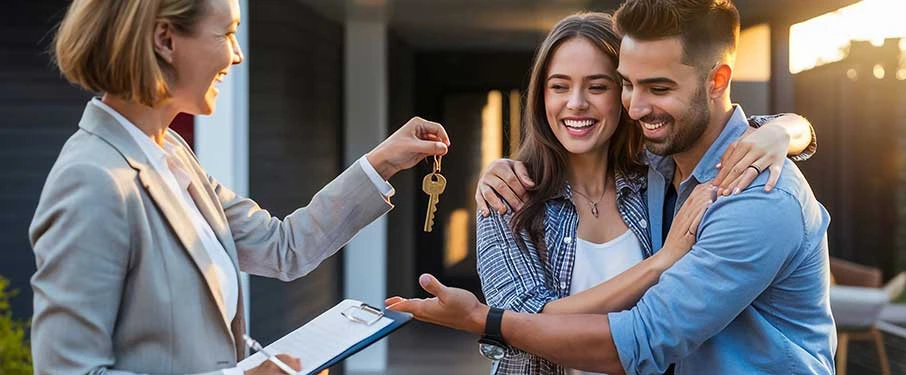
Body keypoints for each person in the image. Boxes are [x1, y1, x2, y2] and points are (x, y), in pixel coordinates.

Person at [387, 1, 835, 374]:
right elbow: (531, 320)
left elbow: (643, 340)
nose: (637, 106)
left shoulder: (735, 191)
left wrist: (788, 130)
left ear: (717, 81)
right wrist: (663, 260)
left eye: (602, 86)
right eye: (628, 85)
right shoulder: (654, 173)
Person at [29, 0, 449, 374]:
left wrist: (383, 161)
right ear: (165, 39)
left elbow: (283, 248)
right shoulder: (92, 179)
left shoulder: (171, 152)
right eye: (228, 33)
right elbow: (68, 369)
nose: (238, 55)